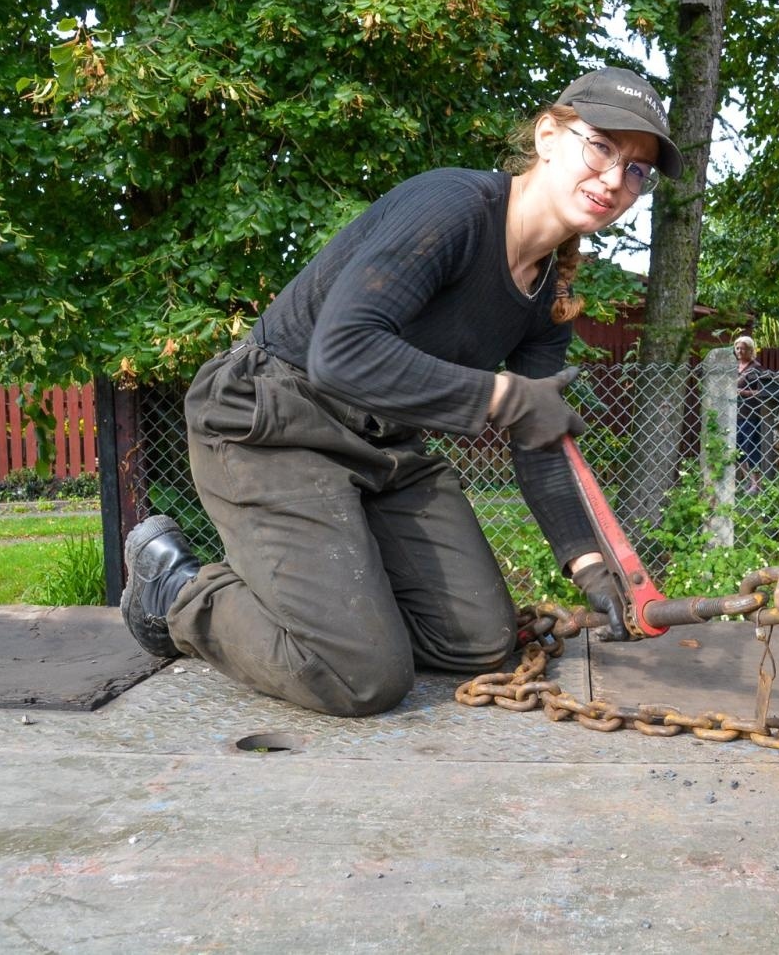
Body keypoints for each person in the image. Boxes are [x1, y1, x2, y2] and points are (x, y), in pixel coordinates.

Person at [117, 67, 684, 716]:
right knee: (360, 676)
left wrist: (587, 562)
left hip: (382, 445)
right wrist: (500, 395)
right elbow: (341, 353)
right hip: (271, 419)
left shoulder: (548, 295)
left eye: (638, 170)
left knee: (481, 642)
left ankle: (336, 608)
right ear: (549, 135)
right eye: (602, 147)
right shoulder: (453, 208)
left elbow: (538, 438)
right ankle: (180, 591)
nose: (615, 179)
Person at [734, 335, 765, 495]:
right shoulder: (733, 367)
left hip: (750, 414)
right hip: (735, 414)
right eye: (737, 348)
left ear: (750, 350)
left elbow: (764, 391)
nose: (739, 351)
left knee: (751, 448)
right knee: (738, 449)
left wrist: (745, 392)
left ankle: (756, 484)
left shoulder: (756, 369)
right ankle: (748, 482)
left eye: (743, 348)